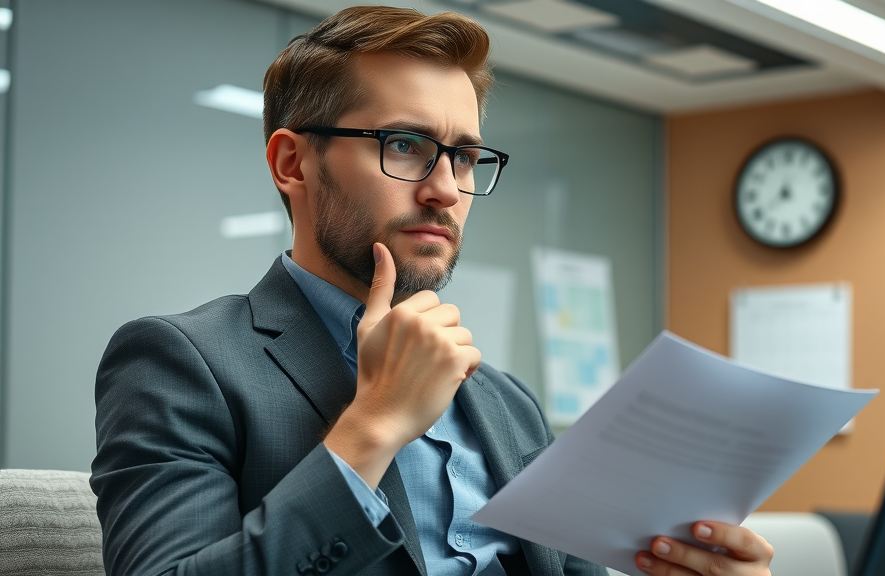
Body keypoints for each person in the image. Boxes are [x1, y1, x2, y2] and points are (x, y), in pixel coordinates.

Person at [91, 6, 773, 576]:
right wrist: (372, 427)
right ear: (292, 162)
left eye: (466, 156)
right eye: (405, 144)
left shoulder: (506, 403)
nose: (446, 188)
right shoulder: (183, 362)